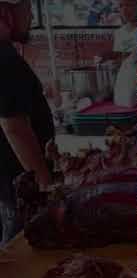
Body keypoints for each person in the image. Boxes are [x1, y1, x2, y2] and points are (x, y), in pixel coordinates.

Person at [0, 0, 54, 244]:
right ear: (6, 13)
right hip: (16, 186)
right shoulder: (5, 59)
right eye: (27, 11)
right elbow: (15, 128)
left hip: (9, 183)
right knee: (19, 248)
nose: (31, 18)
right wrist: (45, 184)